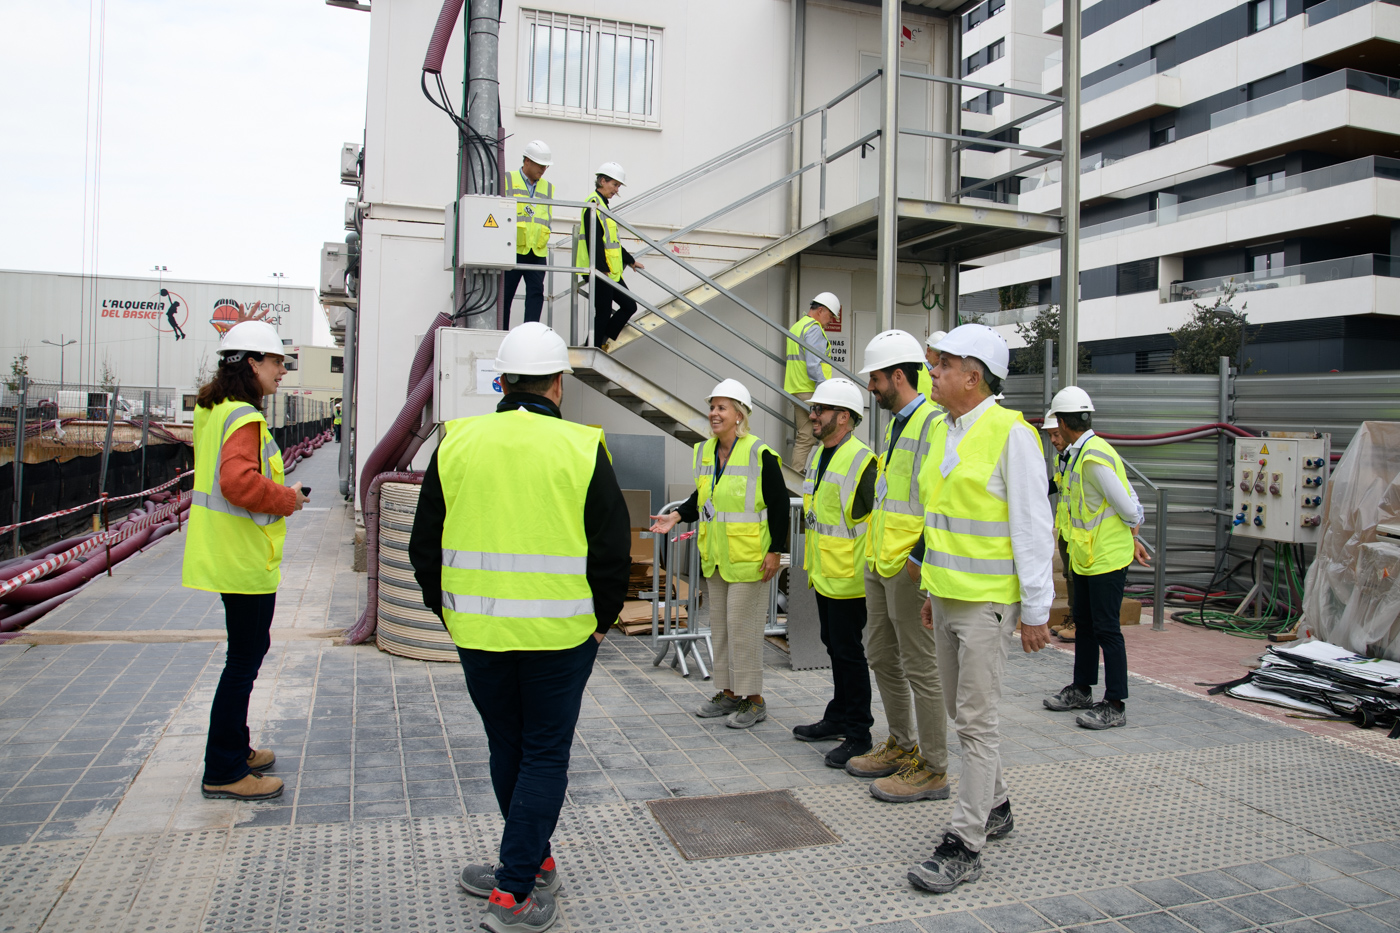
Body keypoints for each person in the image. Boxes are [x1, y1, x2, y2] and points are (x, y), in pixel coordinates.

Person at [409, 322, 630, 933]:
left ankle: (527, 859)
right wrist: (601, 625)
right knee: (542, 754)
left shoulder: (455, 441)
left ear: (501, 382)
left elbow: (423, 546)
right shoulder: (583, 446)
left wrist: (447, 611)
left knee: (507, 745)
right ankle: (515, 891)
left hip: (479, 635)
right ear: (558, 384)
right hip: (561, 638)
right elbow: (612, 550)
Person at [906, 323, 1055, 895]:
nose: (933, 373)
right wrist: (931, 595)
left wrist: (1036, 610)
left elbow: (1033, 526)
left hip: (987, 606)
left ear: (974, 375)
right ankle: (995, 805)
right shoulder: (947, 430)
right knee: (958, 711)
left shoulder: (1011, 434)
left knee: (975, 720)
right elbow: (942, 521)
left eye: (942, 365)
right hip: (947, 599)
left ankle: (965, 844)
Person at [183, 320, 307, 802]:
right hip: (243, 558)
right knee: (243, 662)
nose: (282, 372)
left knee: (244, 656)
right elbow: (238, 483)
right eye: (277, 363)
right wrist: (286, 498)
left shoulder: (214, 411)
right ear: (252, 363)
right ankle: (224, 769)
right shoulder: (244, 419)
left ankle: (237, 746)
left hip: (224, 551)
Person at [844, 330, 950, 804]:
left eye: (876, 379)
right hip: (881, 558)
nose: (871, 388)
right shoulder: (895, 425)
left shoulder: (934, 424)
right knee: (881, 654)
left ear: (899, 376)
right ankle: (902, 744)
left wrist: (919, 557)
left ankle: (933, 766)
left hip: (908, 564)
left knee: (920, 665)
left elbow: (940, 501)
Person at [650, 379, 788, 730]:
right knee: (723, 628)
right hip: (716, 558)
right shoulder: (704, 451)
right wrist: (676, 516)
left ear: (740, 415)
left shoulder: (760, 453)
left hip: (750, 559)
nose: (714, 413)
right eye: (712, 406)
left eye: (722, 407)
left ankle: (754, 700)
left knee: (743, 629)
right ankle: (728, 693)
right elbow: (702, 499)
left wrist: (776, 552)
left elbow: (779, 505)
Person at [1040, 386, 1150, 730]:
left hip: (1106, 557)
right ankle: (1082, 689)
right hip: (1086, 556)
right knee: (1084, 624)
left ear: (1064, 420)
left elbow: (1129, 505)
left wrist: (1133, 534)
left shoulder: (1092, 456)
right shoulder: (1076, 453)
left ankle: (1115, 704)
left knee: (1106, 630)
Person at [790, 377, 878, 768]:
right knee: (835, 648)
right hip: (826, 572)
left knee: (848, 653)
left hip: (850, 577)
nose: (813, 416)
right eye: (813, 410)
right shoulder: (819, 455)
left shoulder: (862, 460)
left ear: (844, 418)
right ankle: (838, 716)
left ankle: (859, 733)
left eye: (819, 410)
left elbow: (877, 520)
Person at [577, 162, 644, 349]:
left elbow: (610, 241)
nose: (616, 190)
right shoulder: (593, 203)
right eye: (614, 185)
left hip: (609, 270)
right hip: (600, 269)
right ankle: (594, 347)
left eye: (618, 186)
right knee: (604, 311)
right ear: (602, 181)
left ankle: (597, 342)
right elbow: (594, 240)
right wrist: (600, 268)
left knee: (628, 306)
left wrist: (629, 260)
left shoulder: (603, 205)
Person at [784, 293, 840, 470]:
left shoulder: (798, 326)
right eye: (830, 315)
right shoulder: (814, 328)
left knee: (806, 435)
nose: (831, 320)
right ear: (821, 310)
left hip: (796, 389)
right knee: (834, 431)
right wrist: (827, 390)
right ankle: (825, 473)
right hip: (811, 391)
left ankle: (796, 474)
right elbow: (813, 366)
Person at [503, 140, 555, 328]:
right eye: (540, 165)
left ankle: (529, 335)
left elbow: (545, 218)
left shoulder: (547, 188)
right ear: (527, 161)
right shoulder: (508, 180)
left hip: (537, 251)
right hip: (512, 248)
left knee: (536, 294)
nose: (543, 169)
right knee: (505, 296)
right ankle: (501, 334)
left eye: (545, 166)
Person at [1042, 413, 1076, 640]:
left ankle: (1079, 621)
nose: (1053, 440)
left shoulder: (1084, 457)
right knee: (1069, 575)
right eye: (1050, 435)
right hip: (1066, 530)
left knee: (1076, 577)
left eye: (1056, 434)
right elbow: (1057, 484)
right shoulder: (1062, 459)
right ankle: (1074, 617)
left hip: (1083, 533)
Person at [918, 330, 947, 404]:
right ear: (928, 351)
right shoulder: (916, 369)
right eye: (938, 356)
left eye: (944, 358)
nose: (940, 361)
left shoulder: (946, 373)